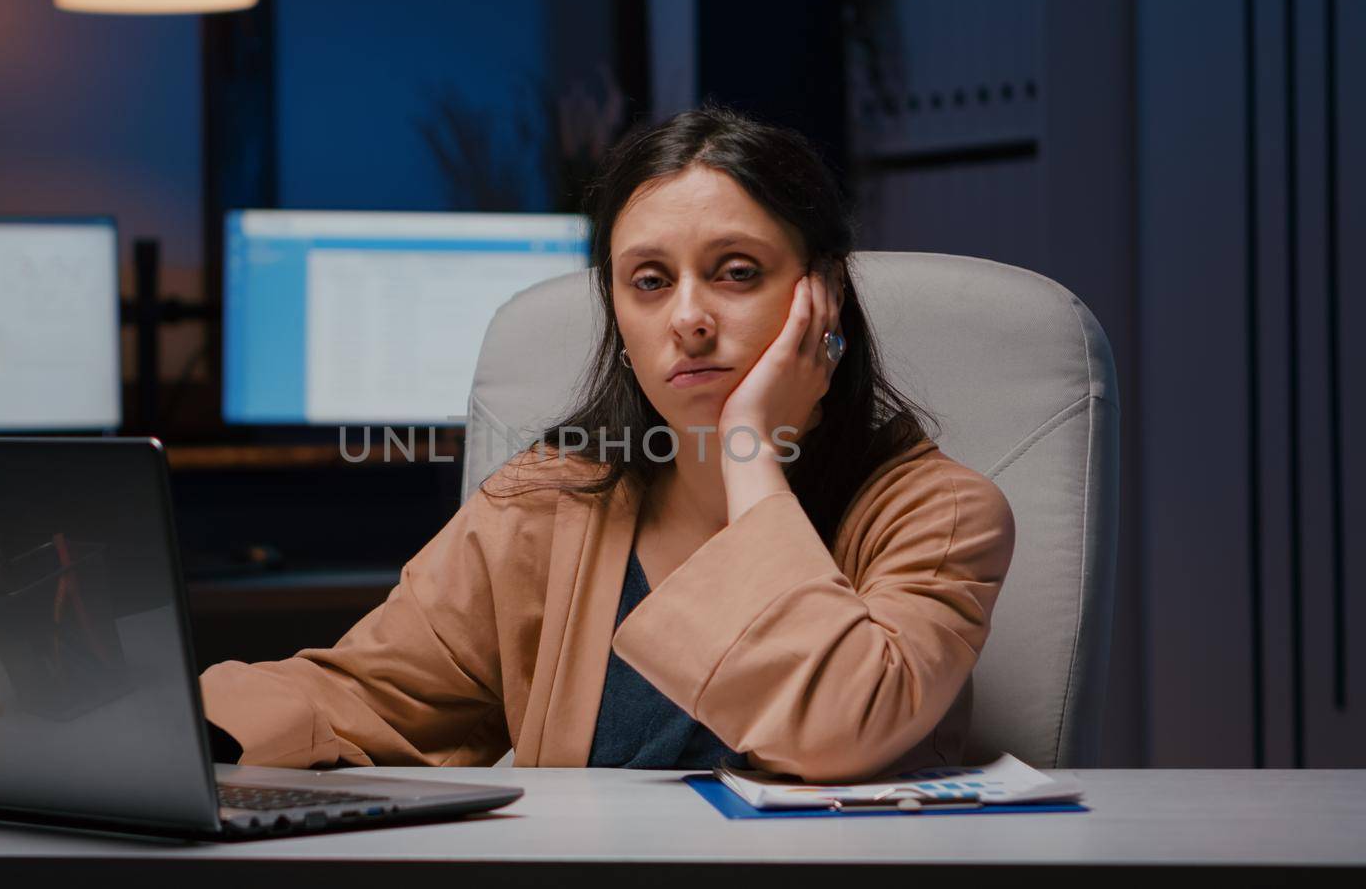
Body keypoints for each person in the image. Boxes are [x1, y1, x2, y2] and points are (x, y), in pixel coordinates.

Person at [199, 106, 1015, 782]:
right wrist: (169, 727)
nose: (689, 319)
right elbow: (369, 694)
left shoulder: (942, 516)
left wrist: (748, 453)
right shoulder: (547, 504)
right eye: (650, 282)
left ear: (823, 294)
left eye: (736, 272)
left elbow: (836, 725)